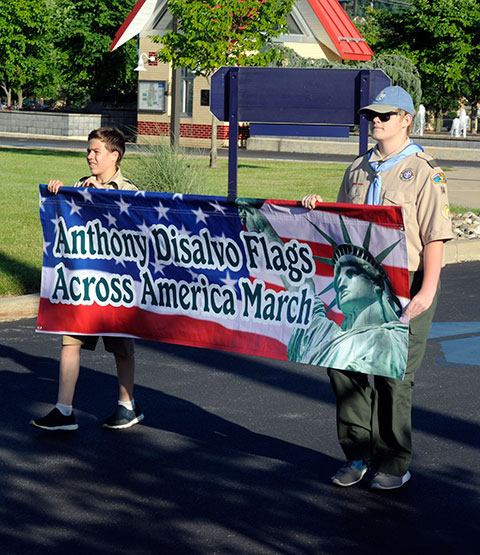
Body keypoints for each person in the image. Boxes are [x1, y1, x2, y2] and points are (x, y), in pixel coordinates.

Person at [302, 86, 453, 490]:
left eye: (386, 116)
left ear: (406, 119)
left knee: (393, 375)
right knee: (344, 365)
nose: (377, 121)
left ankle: (392, 462)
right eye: (373, 115)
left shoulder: (424, 171)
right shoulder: (357, 169)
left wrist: (427, 291)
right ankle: (357, 453)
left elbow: (435, 236)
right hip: (361, 284)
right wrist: (319, 206)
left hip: (408, 286)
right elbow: (341, 226)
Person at [30, 127, 144, 432]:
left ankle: (127, 406)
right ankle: (63, 409)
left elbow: (133, 228)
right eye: (89, 150)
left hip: (117, 286)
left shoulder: (129, 190)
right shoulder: (81, 185)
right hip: (84, 283)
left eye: (96, 151)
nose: (90, 156)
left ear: (114, 155)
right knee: (70, 341)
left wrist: (99, 195)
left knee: (121, 347)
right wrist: (60, 194)